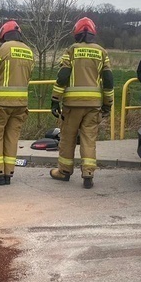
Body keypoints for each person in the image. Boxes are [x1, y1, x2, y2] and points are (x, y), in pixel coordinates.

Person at [49, 17, 114, 189]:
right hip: (93, 105)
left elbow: (63, 76)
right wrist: (108, 103)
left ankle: (63, 172)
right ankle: (88, 173)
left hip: (72, 105)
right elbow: (108, 80)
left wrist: (55, 99)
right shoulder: (102, 52)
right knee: (89, 139)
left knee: (67, 139)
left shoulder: (72, 50)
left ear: (77, 34)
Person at [0, 20, 35, 185]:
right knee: (11, 137)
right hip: (20, 105)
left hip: (1, 104)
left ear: (3, 35)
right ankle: (7, 173)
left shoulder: (2, 49)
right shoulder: (29, 52)